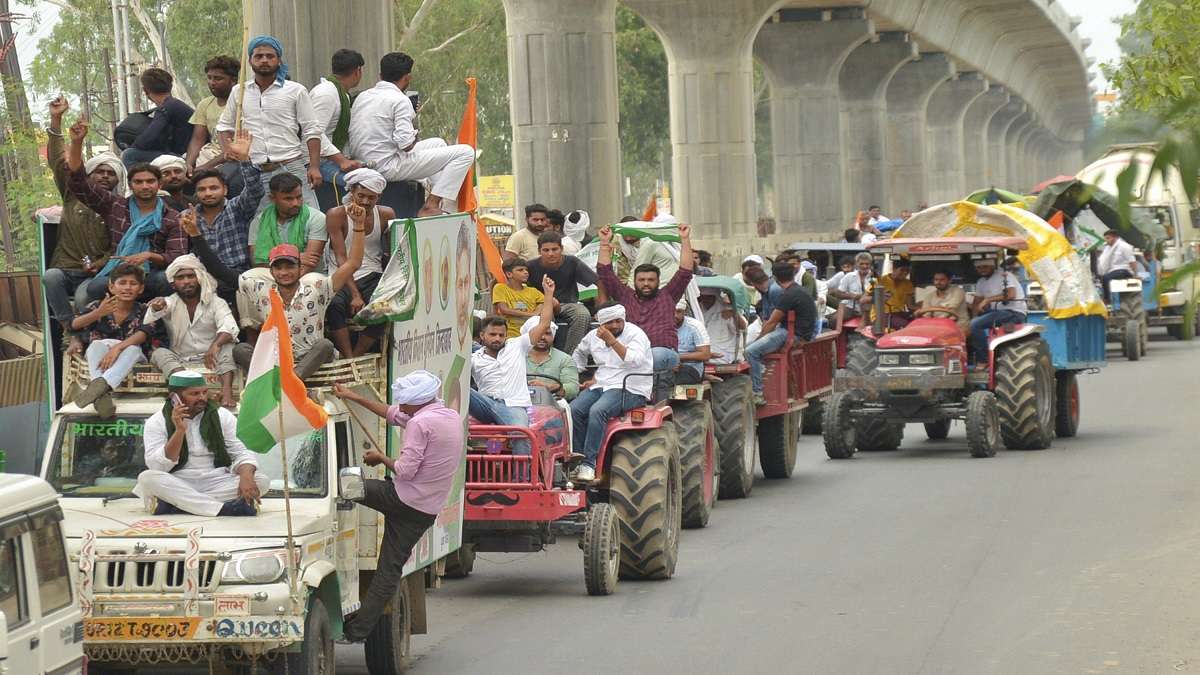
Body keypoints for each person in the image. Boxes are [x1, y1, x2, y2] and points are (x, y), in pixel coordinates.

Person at [330, 371, 463, 642]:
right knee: (388, 571)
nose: (400, 406)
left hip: (402, 498)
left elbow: (404, 471)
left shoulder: (419, 424)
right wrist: (353, 396)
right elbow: (392, 413)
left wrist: (380, 458)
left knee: (344, 485)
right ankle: (356, 633)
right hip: (425, 510)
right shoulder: (448, 416)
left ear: (417, 402)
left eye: (404, 402)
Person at [234, 203, 368, 380]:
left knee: (325, 345)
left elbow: (353, 264)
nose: (284, 273)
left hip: (310, 359)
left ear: (300, 267)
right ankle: (282, 382)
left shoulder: (318, 287)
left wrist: (358, 226)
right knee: (240, 350)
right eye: (278, 268)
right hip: (275, 362)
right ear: (271, 271)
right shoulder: (260, 290)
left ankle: (289, 382)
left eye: (290, 267)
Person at [65, 118, 184, 303]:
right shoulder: (116, 206)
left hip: (151, 275)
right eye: (138, 182)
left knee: (165, 280)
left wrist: (149, 256)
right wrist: (77, 142)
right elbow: (80, 183)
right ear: (130, 185)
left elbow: (177, 256)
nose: (145, 186)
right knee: (95, 287)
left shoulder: (172, 217)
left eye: (150, 181)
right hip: (120, 275)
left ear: (159, 184)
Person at [346, 51, 475, 217]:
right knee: (465, 152)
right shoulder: (400, 100)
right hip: (387, 166)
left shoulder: (364, 96)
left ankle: (443, 203)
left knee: (437, 143)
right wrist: (412, 122)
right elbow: (406, 145)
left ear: (380, 75)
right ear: (407, 78)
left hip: (365, 161)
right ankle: (432, 204)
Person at [133, 371, 269, 517]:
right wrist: (179, 431)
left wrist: (246, 477)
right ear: (175, 397)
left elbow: (241, 451)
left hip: (216, 480)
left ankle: (178, 505)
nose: (202, 398)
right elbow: (158, 466)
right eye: (194, 394)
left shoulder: (221, 415)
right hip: (179, 481)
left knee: (261, 480)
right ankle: (224, 509)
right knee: (147, 478)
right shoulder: (157, 421)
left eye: (204, 392)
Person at [43, 96, 120, 350]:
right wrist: (56, 119)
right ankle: (71, 333)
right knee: (50, 277)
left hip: (95, 273)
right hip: (65, 267)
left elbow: (118, 247)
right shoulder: (72, 193)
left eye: (111, 173)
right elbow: (58, 162)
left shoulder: (117, 206)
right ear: (90, 173)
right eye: (100, 171)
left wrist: (98, 264)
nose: (105, 177)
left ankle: (86, 339)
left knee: (83, 296)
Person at [216, 35, 324, 210]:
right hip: (256, 172)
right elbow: (224, 126)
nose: (264, 60)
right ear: (250, 61)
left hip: (291, 167)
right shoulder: (239, 91)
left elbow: (312, 130)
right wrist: (228, 150)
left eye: (270, 56)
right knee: (264, 225)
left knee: (308, 219)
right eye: (258, 56)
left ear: (279, 60)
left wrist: (314, 166)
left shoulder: (296, 90)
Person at [596, 223, 694, 391]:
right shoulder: (625, 296)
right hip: (631, 357)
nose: (646, 284)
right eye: (642, 280)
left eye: (651, 280)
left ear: (657, 281)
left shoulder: (668, 295)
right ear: (635, 281)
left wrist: (684, 240)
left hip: (662, 353)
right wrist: (604, 243)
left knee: (652, 357)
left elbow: (685, 271)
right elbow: (605, 272)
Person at [469, 277, 556, 455]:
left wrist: (548, 294)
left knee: (521, 433)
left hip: (513, 405)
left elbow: (544, 323)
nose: (497, 339)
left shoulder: (517, 345)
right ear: (482, 336)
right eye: (492, 334)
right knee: (461, 388)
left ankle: (521, 481)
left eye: (501, 335)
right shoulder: (473, 359)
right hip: (486, 404)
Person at [569, 303, 654, 481]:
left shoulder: (635, 334)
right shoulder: (593, 336)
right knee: (573, 410)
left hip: (631, 387)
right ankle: (577, 460)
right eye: (610, 322)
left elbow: (635, 361)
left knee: (598, 411)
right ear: (600, 323)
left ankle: (589, 465)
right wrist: (575, 375)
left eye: (618, 321)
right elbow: (579, 353)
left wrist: (612, 341)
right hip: (602, 384)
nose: (615, 325)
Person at [70, 264, 165, 418]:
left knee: (133, 349)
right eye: (122, 283)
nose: (127, 288)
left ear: (141, 289)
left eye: (133, 284)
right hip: (101, 358)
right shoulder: (97, 306)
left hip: (133, 359)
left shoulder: (145, 310)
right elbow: (73, 325)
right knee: (95, 345)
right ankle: (101, 393)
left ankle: (98, 388)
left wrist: (118, 348)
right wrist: (98, 313)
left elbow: (143, 334)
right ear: (111, 287)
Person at [144, 255, 239, 408]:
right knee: (158, 353)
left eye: (190, 276)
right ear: (173, 284)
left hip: (213, 360)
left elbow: (229, 327)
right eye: (180, 277)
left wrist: (215, 346)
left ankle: (226, 393)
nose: (186, 281)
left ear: (199, 278)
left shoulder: (215, 302)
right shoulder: (169, 302)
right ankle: (188, 388)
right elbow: (156, 311)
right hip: (181, 360)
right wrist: (156, 307)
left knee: (227, 346)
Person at [324, 168, 395, 358]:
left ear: (378, 197)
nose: (365, 202)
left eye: (371, 198)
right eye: (361, 195)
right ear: (352, 192)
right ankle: (348, 356)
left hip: (372, 275)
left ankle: (356, 355)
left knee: (385, 306)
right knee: (333, 307)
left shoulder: (386, 214)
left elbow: (391, 251)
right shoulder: (336, 215)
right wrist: (355, 294)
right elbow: (341, 258)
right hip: (342, 275)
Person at [185, 130, 262, 294]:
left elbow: (255, 190)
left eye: (214, 188)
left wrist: (244, 160)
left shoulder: (237, 208)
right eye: (202, 189)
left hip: (237, 275)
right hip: (204, 278)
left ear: (225, 189)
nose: (208, 193)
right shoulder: (190, 216)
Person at [745, 262, 817, 405]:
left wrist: (758, 340)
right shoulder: (798, 290)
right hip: (800, 332)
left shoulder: (786, 294)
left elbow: (772, 322)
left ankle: (757, 393)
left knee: (750, 351)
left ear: (776, 277)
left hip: (792, 334)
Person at [525, 231, 597, 354]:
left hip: (568, 304)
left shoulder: (572, 262)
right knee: (543, 319)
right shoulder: (530, 266)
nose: (551, 254)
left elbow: (595, 282)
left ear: (562, 249)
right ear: (539, 251)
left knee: (583, 315)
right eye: (546, 250)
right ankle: (545, 356)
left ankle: (570, 356)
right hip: (542, 305)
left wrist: (599, 308)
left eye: (555, 249)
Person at [246, 172, 329, 274]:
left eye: (299, 197)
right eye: (288, 199)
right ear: (272, 199)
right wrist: (293, 256)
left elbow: (309, 264)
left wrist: (273, 259)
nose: (295, 203)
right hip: (271, 275)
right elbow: (257, 263)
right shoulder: (259, 221)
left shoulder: (317, 218)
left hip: (306, 278)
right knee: (250, 276)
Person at [310, 48, 367, 190]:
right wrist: (341, 160)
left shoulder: (342, 94)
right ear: (357, 71)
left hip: (331, 159)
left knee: (373, 177)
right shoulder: (326, 93)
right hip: (317, 163)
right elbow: (314, 133)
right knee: (364, 185)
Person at [121, 67, 194, 167]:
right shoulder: (174, 105)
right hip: (186, 154)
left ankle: (139, 182)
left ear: (146, 91)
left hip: (183, 157)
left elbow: (146, 140)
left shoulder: (166, 108)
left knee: (129, 155)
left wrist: (131, 145)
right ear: (170, 86)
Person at [185, 56, 240, 186]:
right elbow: (198, 139)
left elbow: (234, 151)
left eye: (218, 78)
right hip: (208, 155)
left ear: (233, 81)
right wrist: (188, 164)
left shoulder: (242, 104)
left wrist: (206, 167)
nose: (212, 82)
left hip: (232, 159)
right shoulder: (205, 104)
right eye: (209, 78)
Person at [968, 256, 1027, 365]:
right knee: (969, 324)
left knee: (975, 324)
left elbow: (1011, 294)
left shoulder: (1004, 276)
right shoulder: (981, 281)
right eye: (979, 267)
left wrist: (988, 300)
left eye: (985, 266)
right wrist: (973, 316)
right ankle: (969, 357)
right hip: (997, 312)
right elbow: (976, 302)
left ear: (992, 266)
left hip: (1013, 312)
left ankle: (984, 360)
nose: (982, 269)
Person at [492, 258, 550, 337]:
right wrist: (530, 314)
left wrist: (537, 311)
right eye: (520, 270)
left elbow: (545, 302)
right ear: (509, 274)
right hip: (510, 335)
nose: (526, 272)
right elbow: (504, 309)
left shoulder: (533, 291)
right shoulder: (500, 288)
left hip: (532, 334)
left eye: (526, 270)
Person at [524, 316, 580, 400]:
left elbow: (573, 388)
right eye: (539, 333)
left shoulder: (565, 359)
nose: (542, 337)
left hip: (554, 402)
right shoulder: (516, 356)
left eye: (547, 333)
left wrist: (548, 387)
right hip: (520, 401)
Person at [700, 289, 746, 364]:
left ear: (716, 297)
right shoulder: (696, 308)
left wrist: (734, 313)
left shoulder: (727, 310)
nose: (705, 299)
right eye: (703, 296)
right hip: (703, 352)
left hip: (723, 353)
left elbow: (742, 327)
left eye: (709, 297)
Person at [674, 300, 712, 384]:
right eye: (671, 311)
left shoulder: (695, 326)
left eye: (679, 312)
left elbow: (705, 354)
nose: (675, 315)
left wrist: (676, 358)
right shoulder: (660, 326)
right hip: (666, 367)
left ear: (684, 312)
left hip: (690, 367)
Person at [830, 252, 875, 319]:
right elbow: (838, 294)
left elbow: (879, 297)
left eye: (867, 264)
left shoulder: (875, 277)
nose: (864, 266)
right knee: (833, 321)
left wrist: (866, 298)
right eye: (861, 264)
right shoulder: (849, 276)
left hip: (870, 309)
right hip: (850, 308)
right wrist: (853, 296)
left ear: (870, 265)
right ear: (856, 264)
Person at [1096, 229, 1136, 301]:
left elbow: (1132, 261)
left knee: (1106, 278)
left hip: (1124, 270)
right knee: (1099, 278)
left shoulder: (1124, 246)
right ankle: (1106, 296)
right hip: (1113, 270)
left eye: (1108, 238)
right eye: (1105, 239)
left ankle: (1107, 299)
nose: (1106, 240)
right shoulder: (1107, 248)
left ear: (1115, 237)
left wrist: (1134, 274)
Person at [876, 259, 916, 329]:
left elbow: (910, 306)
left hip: (900, 313)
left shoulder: (908, 283)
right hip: (883, 314)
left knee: (917, 323)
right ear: (894, 268)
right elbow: (864, 299)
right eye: (902, 270)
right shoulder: (880, 281)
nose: (905, 272)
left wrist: (923, 308)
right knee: (906, 326)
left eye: (907, 270)